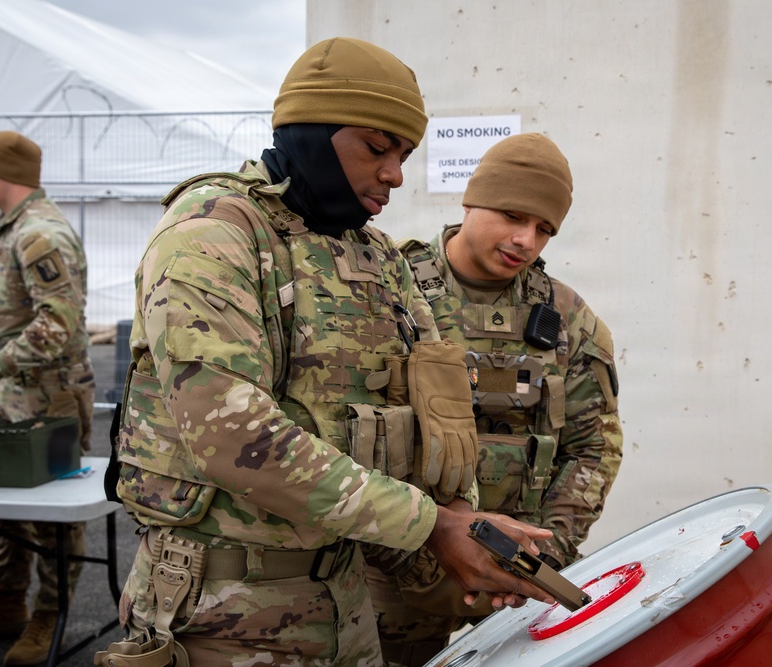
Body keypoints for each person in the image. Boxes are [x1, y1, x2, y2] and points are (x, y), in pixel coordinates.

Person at [101, 38, 556, 667]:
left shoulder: (377, 256)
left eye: (404, 155)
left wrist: (470, 533)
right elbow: (234, 438)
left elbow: (438, 413)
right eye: (376, 147)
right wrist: (433, 528)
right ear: (311, 131)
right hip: (222, 613)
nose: (395, 174)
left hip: (346, 603)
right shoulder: (212, 233)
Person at [368, 132, 624, 665]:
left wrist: (544, 555)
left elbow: (594, 447)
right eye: (512, 215)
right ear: (471, 201)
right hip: (393, 571)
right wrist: (408, 546)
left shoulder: (568, 319)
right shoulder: (385, 288)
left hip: (517, 580)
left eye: (544, 229)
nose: (526, 240)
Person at [0, 131, 96, 666]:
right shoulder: (6, 227)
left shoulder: (40, 234)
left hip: (50, 395)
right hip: (12, 390)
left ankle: (50, 614)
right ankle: (6, 602)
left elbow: (60, 323)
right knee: (7, 502)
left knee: (53, 512)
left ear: (7, 172)